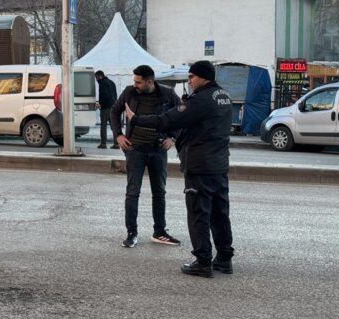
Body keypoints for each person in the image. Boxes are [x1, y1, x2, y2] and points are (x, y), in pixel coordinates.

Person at [125, 60, 235, 278]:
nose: (189, 81)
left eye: (192, 77)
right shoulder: (224, 96)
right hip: (219, 164)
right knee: (219, 212)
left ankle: (203, 261)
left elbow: (168, 120)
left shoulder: (201, 100)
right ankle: (224, 258)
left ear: (204, 77)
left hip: (200, 164)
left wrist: (136, 119)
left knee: (198, 213)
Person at [110, 65, 182, 248]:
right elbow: (114, 112)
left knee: (159, 192)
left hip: (158, 150)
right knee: (133, 192)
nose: (134, 84)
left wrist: (172, 137)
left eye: (138, 82)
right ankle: (131, 233)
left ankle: (159, 232)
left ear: (149, 82)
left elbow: (182, 114)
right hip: (135, 150)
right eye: (134, 81)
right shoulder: (129, 93)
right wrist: (118, 135)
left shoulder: (167, 94)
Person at [95, 70, 117, 149]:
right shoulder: (112, 82)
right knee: (114, 126)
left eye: (96, 78)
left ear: (99, 76)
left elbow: (105, 95)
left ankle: (103, 144)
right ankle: (116, 144)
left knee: (103, 126)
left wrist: (101, 104)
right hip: (114, 107)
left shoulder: (102, 83)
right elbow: (114, 95)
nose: (96, 80)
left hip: (106, 108)